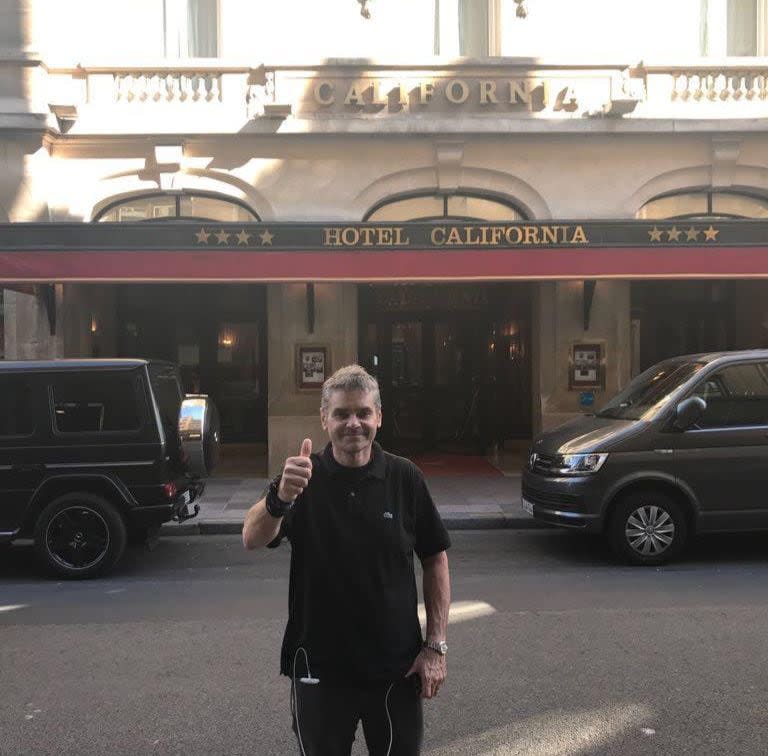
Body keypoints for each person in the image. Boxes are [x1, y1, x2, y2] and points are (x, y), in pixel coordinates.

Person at [243, 364, 451, 756]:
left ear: (379, 418)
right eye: (341, 413)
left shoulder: (405, 478)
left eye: (363, 412)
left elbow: (435, 559)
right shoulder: (301, 478)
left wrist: (435, 646)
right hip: (319, 669)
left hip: (395, 668)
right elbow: (252, 538)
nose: (352, 423)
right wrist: (278, 499)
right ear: (324, 419)